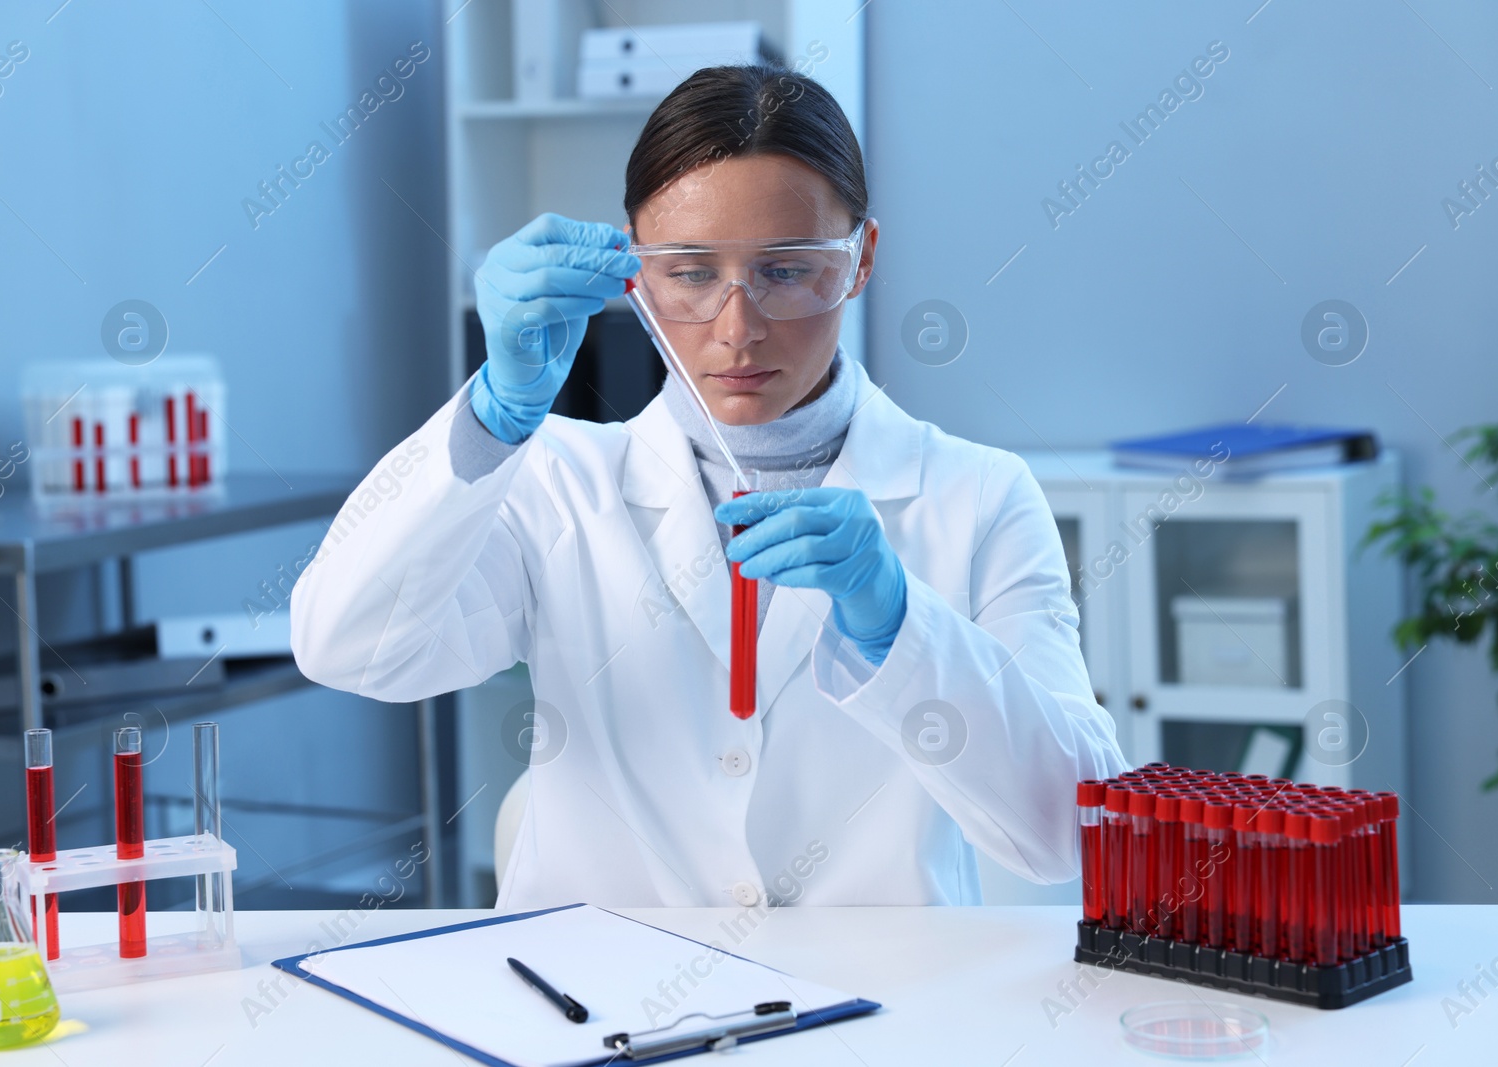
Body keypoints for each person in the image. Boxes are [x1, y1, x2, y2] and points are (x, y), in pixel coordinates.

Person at [291, 63, 1127, 909]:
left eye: (786, 270)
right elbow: (348, 646)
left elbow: (1074, 830)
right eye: (690, 272)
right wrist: (490, 418)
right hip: (598, 1008)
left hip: (876, 1011)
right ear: (634, 269)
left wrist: (898, 622)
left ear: (861, 257)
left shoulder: (978, 496)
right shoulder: (555, 481)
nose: (737, 329)